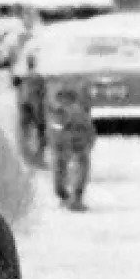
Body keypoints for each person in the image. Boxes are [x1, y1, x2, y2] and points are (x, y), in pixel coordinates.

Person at [48, 81, 96, 212]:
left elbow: (54, 131)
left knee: (60, 163)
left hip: (64, 140)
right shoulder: (80, 112)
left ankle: (65, 195)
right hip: (77, 139)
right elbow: (89, 131)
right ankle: (75, 198)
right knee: (80, 164)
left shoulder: (57, 113)